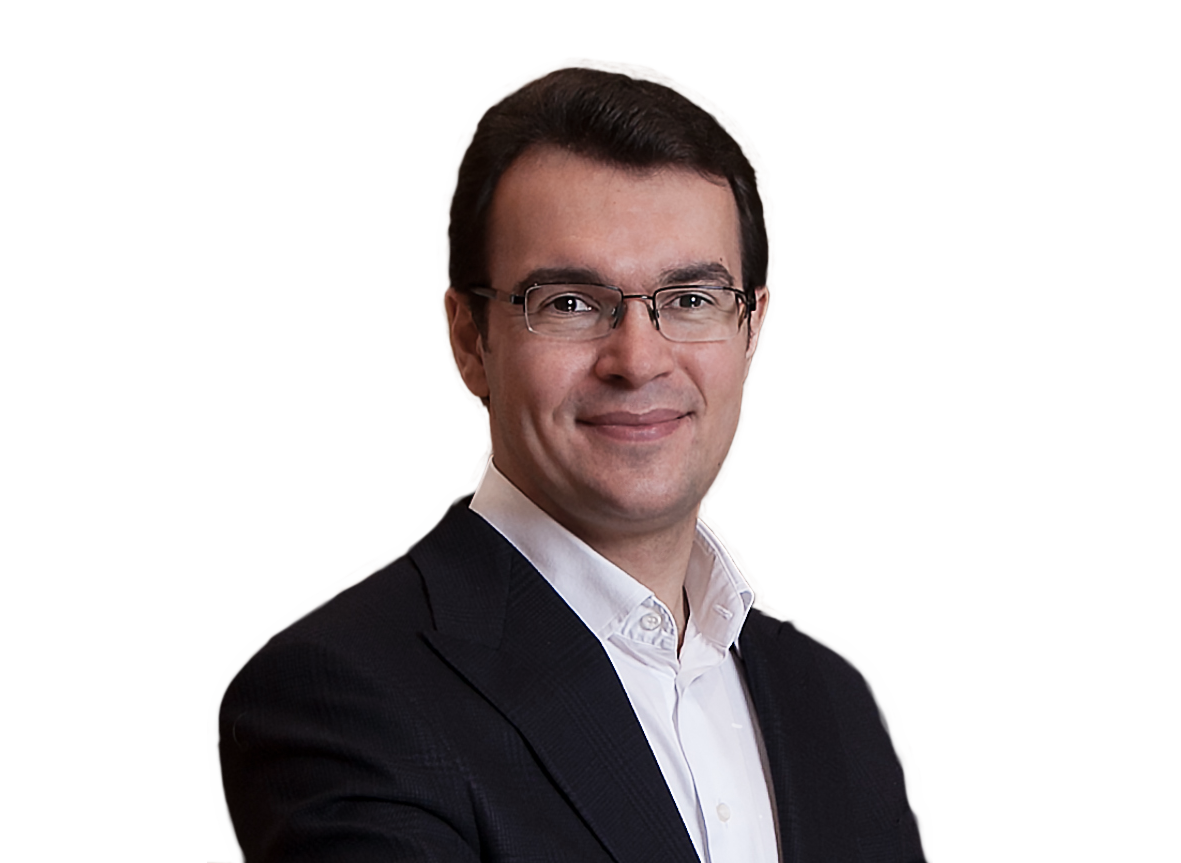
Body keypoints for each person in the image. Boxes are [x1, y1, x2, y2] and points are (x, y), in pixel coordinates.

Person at [211, 59, 932, 863]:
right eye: (569, 303)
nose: (638, 359)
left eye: (690, 299)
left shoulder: (836, 706)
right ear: (469, 339)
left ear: (750, 328)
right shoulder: (338, 696)